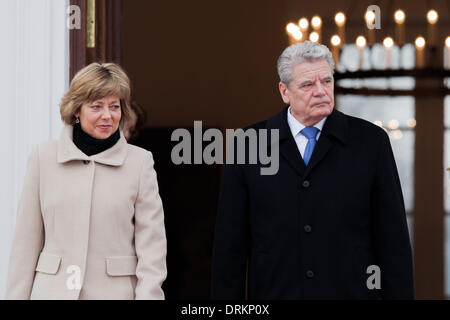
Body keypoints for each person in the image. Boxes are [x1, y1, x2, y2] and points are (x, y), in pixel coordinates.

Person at [211, 41, 414, 300]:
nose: (320, 91)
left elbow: (393, 244)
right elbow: (230, 249)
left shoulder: (371, 142)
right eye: (308, 85)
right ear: (285, 91)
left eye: (326, 81)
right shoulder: (249, 144)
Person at [5, 62, 167, 300]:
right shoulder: (43, 158)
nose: (107, 115)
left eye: (114, 106)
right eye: (96, 106)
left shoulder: (139, 163)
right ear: (76, 110)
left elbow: (152, 250)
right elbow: (24, 247)